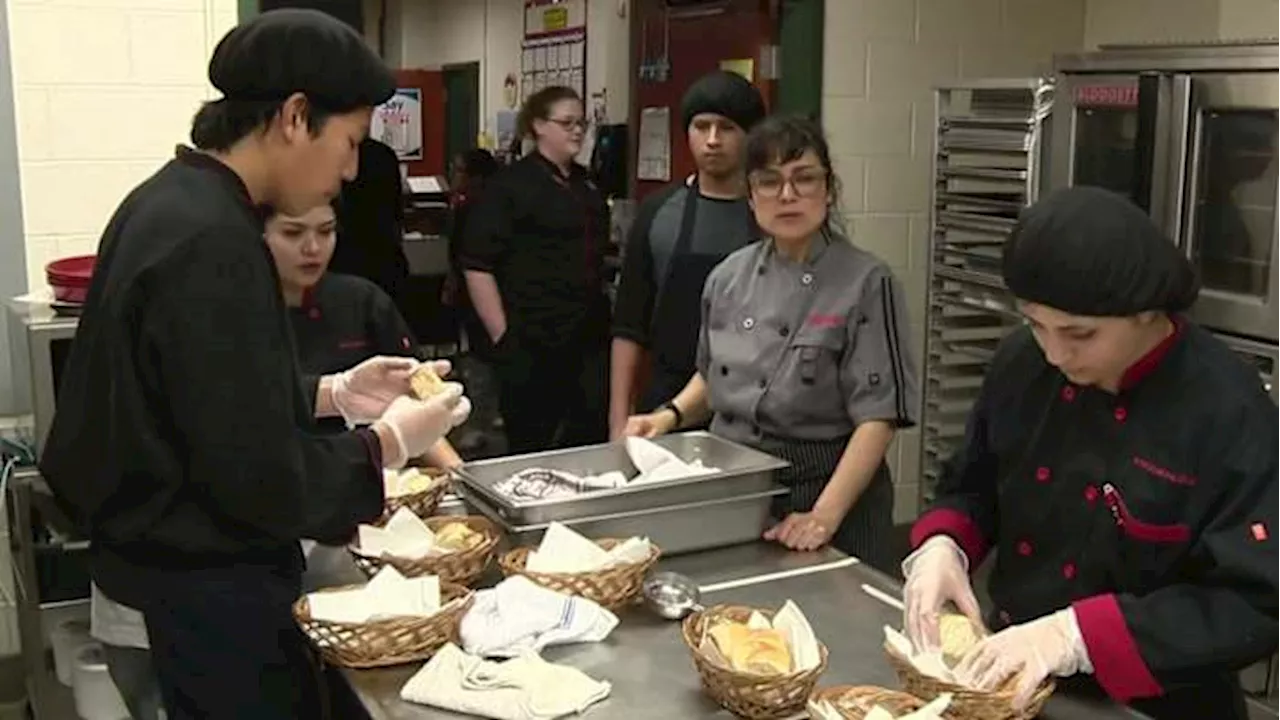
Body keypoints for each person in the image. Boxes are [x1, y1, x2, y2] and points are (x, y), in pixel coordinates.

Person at [39, 10, 471, 718]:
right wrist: (391, 441)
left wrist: (336, 394)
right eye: (351, 142)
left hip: (161, 577)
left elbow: (200, 396)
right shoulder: (214, 241)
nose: (350, 171)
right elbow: (256, 475)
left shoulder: (168, 202)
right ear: (296, 118)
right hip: (196, 594)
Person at [902, 186, 1280, 719]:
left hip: (1157, 704)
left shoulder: (1227, 410)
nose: (1055, 354)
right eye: (1037, 325)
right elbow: (975, 482)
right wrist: (945, 545)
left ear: (1149, 314)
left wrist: (1073, 636)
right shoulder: (1021, 364)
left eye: (1080, 334)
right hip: (1012, 680)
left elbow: (1255, 602)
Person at [623, 115, 919, 569]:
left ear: (829, 189)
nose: (787, 195)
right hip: (736, 484)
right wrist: (668, 416)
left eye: (804, 179)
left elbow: (878, 417)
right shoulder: (727, 277)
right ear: (750, 193)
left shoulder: (866, 282)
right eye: (769, 181)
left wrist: (823, 516)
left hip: (825, 488)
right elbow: (714, 373)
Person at [609, 70, 766, 439]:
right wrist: (618, 418)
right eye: (701, 126)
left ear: (751, 135)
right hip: (666, 401)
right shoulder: (659, 212)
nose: (712, 140)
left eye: (726, 128)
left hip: (753, 404)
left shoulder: (770, 213)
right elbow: (628, 325)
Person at [461, 86, 612, 454]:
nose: (577, 131)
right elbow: (477, 263)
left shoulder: (586, 184)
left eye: (581, 123)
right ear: (539, 126)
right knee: (532, 444)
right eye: (566, 123)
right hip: (531, 339)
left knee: (588, 437)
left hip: (587, 337)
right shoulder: (511, 187)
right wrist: (503, 336)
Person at [330, 136, 410, 306]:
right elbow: (396, 208)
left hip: (347, 253)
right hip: (384, 251)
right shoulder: (384, 154)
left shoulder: (332, 155)